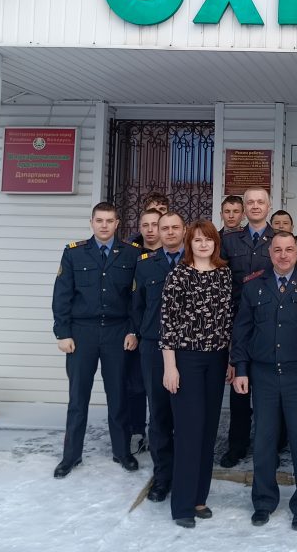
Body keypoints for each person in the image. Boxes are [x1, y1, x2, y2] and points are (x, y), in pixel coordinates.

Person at [231, 231, 297, 531]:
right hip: (263, 375)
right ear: (269, 252)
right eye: (277, 250)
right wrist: (241, 368)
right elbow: (242, 331)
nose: (283, 255)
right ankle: (263, 502)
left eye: (289, 249)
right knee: (263, 441)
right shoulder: (253, 285)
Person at [51, 202, 140, 478]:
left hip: (117, 332)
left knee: (118, 396)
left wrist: (133, 330)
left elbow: (136, 299)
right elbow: (62, 295)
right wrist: (62, 333)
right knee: (78, 398)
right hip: (82, 333)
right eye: (99, 220)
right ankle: (71, 456)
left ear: (117, 224)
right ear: (91, 222)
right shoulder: (74, 253)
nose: (104, 225)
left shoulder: (131, 254)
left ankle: (122, 452)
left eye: (109, 220)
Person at [160, 219, 234, 528]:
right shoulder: (179, 275)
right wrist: (170, 366)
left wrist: (230, 360)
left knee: (207, 431)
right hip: (186, 359)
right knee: (189, 432)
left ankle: (199, 498)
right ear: (189, 244)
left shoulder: (224, 275)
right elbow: (167, 322)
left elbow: (228, 319)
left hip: (217, 359)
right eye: (197, 240)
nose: (203, 244)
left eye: (208, 239)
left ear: (216, 243)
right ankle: (182, 505)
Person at [218, 187, 276, 467]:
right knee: (239, 389)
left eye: (260, 202)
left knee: (268, 391)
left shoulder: (281, 240)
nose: (255, 206)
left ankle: (270, 446)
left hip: (270, 324)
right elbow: (221, 284)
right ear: (244, 208)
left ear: (269, 206)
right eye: (250, 202)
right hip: (238, 323)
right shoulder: (229, 241)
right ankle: (237, 445)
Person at [131, 211, 186, 503]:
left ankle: (186, 473)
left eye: (175, 227)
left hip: (189, 348)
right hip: (153, 346)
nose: (170, 232)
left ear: (184, 230)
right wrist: (141, 333)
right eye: (165, 228)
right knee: (160, 414)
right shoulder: (146, 265)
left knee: (187, 414)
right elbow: (137, 305)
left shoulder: (197, 261)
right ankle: (163, 476)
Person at [125, 208, 161, 455]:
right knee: (136, 385)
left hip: (162, 334)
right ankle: (137, 431)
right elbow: (129, 298)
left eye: (155, 224)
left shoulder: (174, 256)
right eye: (145, 225)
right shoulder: (131, 255)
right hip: (136, 331)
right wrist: (132, 331)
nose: (150, 230)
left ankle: (160, 433)